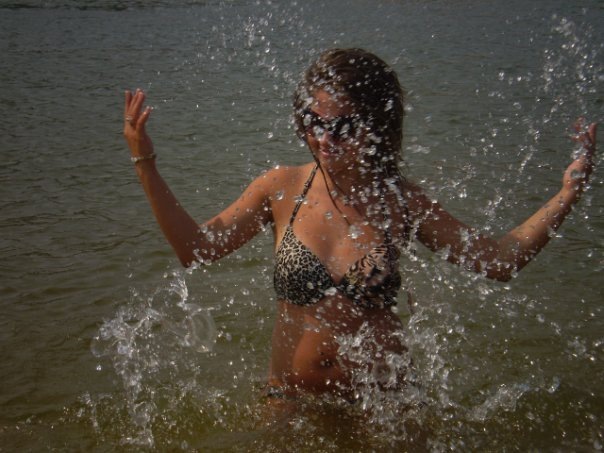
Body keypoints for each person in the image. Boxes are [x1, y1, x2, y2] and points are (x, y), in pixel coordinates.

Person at [123, 48, 597, 400]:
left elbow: (497, 261)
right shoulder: (280, 188)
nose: (324, 139)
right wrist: (145, 162)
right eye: (314, 121)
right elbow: (196, 249)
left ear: (376, 126)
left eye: (343, 126)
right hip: (290, 398)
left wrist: (567, 194)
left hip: (386, 403)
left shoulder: (400, 200)